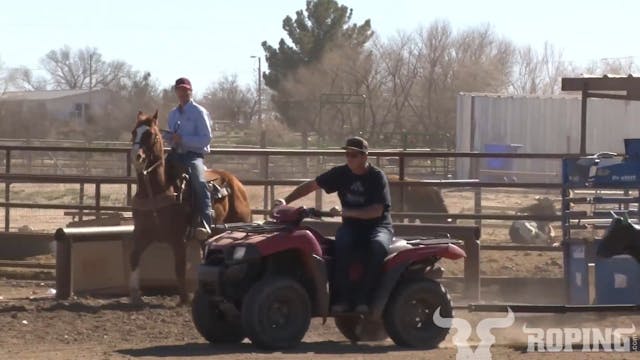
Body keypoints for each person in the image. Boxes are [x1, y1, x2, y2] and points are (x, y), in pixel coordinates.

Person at [273, 136, 394, 313]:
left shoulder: (377, 177)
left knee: (378, 246)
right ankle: (341, 298)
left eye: (354, 155)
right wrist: (285, 200)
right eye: (347, 154)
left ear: (365, 157)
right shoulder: (341, 173)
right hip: (352, 226)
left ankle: (365, 298)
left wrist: (346, 213)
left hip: (378, 226)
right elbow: (312, 185)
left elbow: (376, 211)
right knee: (341, 244)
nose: (349, 158)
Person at [164, 77, 214, 240]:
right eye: (179, 90)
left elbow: (206, 138)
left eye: (185, 90)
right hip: (175, 154)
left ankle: (206, 223)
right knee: (154, 174)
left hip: (193, 156)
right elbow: (172, 137)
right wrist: (168, 137)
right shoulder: (172, 114)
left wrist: (183, 139)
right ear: (176, 92)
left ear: (190, 91)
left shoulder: (199, 112)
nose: (183, 93)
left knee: (199, 182)